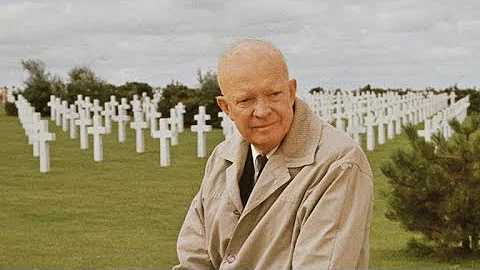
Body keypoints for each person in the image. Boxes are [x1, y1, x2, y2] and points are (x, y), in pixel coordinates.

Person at [173, 39, 373, 269]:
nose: (262, 111)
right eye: (246, 100)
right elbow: (194, 259)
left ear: (291, 92)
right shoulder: (221, 157)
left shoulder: (338, 164)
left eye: (273, 94)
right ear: (226, 107)